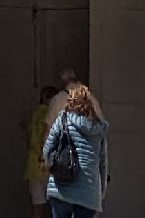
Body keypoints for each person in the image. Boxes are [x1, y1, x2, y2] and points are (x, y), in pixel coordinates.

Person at [41, 81, 109, 218]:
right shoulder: (99, 130)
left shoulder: (62, 120)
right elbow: (102, 165)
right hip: (89, 192)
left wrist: (52, 168)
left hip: (62, 186)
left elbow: (47, 149)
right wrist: (100, 192)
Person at [25, 85, 59, 218]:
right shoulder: (51, 115)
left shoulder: (35, 115)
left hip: (34, 167)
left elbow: (31, 140)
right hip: (49, 166)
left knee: (37, 206)